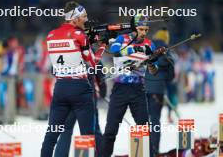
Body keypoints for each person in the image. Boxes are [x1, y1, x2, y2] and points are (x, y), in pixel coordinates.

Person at [40, 1, 107, 157]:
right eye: (83, 16)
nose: (86, 19)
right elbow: (92, 62)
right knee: (88, 136)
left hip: (61, 88)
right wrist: (103, 45)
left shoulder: (50, 35)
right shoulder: (79, 34)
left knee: (51, 136)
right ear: (74, 18)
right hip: (80, 89)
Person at [102, 14, 159, 157]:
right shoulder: (122, 39)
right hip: (120, 89)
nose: (144, 33)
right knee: (110, 130)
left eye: (146, 30)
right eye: (141, 29)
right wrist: (133, 50)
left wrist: (151, 62)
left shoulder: (149, 44)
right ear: (134, 28)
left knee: (144, 129)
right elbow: (114, 51)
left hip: (138, 90)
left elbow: (154, 71)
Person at [54, 62, 107, 157]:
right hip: (86, 98)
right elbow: (101, 77)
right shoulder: (92, 55)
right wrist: (102, 91)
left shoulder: (67, 53)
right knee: (93, 129)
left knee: (66, 130)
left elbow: (53, 70)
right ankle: (101, 154)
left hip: (68, 96)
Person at [145, 28, 175, 157]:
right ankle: (154, 150)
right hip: (157, 91)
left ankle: (142, 149)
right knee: (155, 121)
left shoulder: (146, 45)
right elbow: (170, 76)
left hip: (141, 88)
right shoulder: (166, 50)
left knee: (143, 121)